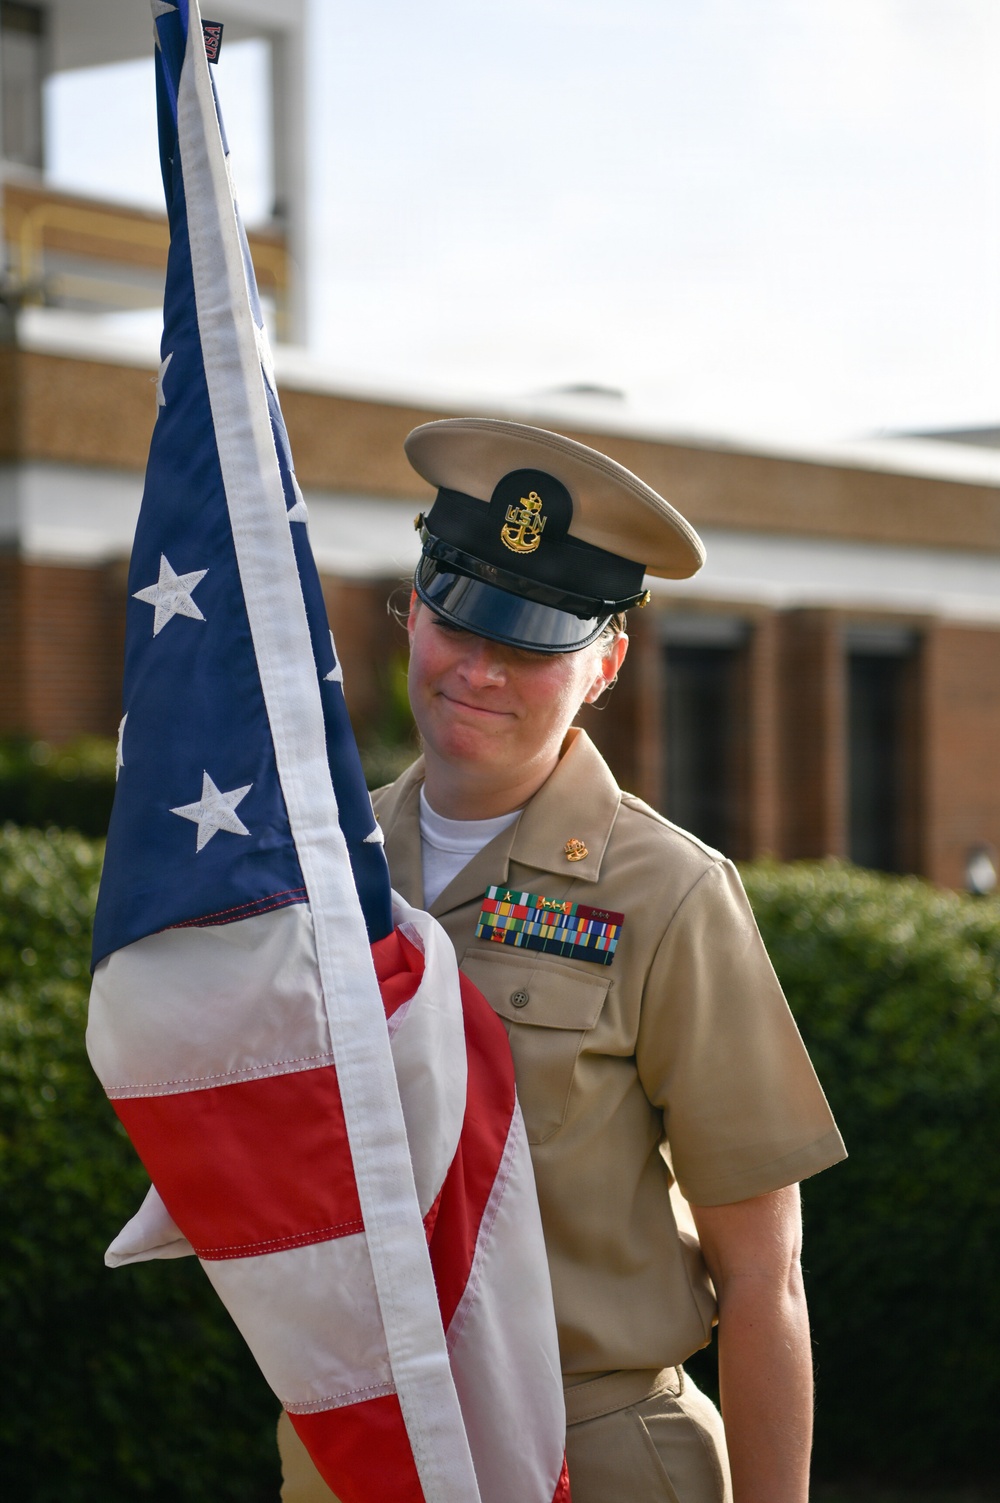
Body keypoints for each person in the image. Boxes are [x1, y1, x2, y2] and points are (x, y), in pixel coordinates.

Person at [279, 417, 846, 1503]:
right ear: (413, 609)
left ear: (605, 665)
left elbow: (764, 1276)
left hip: (592, 1456)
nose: (480, 670)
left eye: (533, 644)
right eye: (458, 618)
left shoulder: (669, 894)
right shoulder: (321, 867)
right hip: (352, 1451)